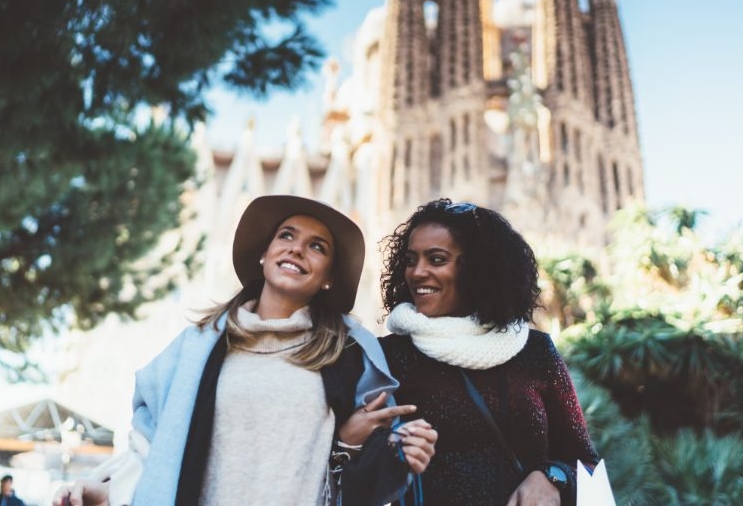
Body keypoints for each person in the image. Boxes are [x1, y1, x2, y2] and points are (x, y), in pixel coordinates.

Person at [53, 194, 437, 506]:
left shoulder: (350, 356)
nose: (297, 249)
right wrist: (106, 491)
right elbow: (151, 448)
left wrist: (367, 445)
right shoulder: (196, 348)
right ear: (264, 253)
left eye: (316, 247)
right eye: (286, 236)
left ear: (329, 278)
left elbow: (366, 480)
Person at [343, 199, 598, 506]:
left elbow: (583, 459)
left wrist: (552, 477)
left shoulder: (535, 352)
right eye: (411, 260)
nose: (417, 272)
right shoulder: (387, 357)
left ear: (479, 268)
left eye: (436, 259)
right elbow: (352, 466)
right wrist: (380, 448)